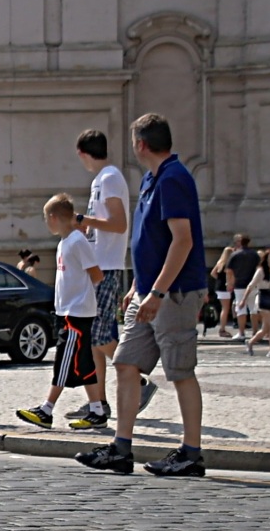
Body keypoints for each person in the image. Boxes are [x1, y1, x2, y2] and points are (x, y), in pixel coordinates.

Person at [76, 112, 207, 477]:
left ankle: (191, 454)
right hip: (148, 290)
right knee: (125, 362)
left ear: (141, 144)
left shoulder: (173, 179)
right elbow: (152, 240)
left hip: (174, 293)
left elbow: (182, 241)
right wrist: (138, 286)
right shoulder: (153, 179)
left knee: (180, 371)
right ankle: (121, 448)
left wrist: (159, 291)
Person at [66, 129, 159, 421]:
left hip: (106, 266)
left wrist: (83, 220)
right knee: (94, 337)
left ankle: (138, 382)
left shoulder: (109, 178)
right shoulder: (102, 179)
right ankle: (99, 404)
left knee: (97, 334)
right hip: (98, 264)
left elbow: (118, 224)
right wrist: (87, 227)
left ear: (82, 152)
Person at [16, 194, 108, 430]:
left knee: (63, 361)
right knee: (84, 363)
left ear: (54, 218)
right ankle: (97, 411)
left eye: (46, 218)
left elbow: (97, 275)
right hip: (66, 311)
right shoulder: (64, 243)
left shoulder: (77, 241)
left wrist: (82, 297)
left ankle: (46, 409)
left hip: (76, 312)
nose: (46, 222)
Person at [239, 248, 270, 358]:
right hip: (263, 298)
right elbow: (251, 285)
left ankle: (250, 343)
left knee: (265, 329)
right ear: (266, 258)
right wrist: (243, 300)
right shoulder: (261, 270)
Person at [226, 233, 259, 341]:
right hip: (253, 284)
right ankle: (255, 331)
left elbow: (229, 271)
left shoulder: (235, 255)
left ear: (239, 242)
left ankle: (241, 332)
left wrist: (229, 283)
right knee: (253, 309)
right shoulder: (254, 254)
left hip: (239, 284)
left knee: (240, 309)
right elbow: (259, 268)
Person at [209, 245, 235, 337]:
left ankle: (222, 328)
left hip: (218, 287)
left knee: (224, 308)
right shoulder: (229, 264)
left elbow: (213, 273)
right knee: (225, 308)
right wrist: (228, 283)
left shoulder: (220, 262)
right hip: (225, 288)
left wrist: (219, 279)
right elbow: (229, 275)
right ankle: (222, 329)